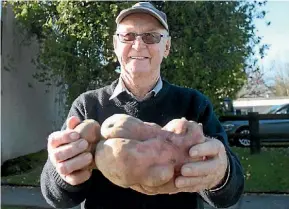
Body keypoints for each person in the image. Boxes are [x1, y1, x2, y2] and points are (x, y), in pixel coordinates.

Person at [40, 2, 244, 209]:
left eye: (151, 36)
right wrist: (62, 171)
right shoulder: (88, 105)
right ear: (115, 45)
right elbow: (58, 198)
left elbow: (229, 194)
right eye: (128, 36)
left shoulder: (194, 104)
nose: (138, 45)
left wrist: (222, 173)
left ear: (166, 47)